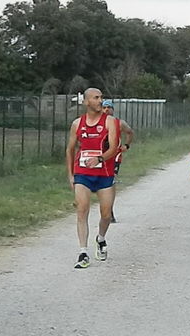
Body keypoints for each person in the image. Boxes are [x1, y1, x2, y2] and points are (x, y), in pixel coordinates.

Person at [65, 87, 119, 269]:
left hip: (104, 173)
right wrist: (70, 175)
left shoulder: (110, 122)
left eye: (101, 97)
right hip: (83, 174)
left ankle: (101, 238)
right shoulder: (77, 124)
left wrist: (100, 158)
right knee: (82, 209)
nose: (100, 101)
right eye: (96, 98)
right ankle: (83, 252)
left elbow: (114, 148)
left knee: (105, 214)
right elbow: (70, 149)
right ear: (87, 101)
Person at [102, 99, 134, 223]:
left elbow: (130, 133)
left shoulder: (119, 123)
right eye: (104, 108)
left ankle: (109, 211)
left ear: (112, 110)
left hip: (114, 157)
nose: (106, 110)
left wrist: (126, 145)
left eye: (109, 108)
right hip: (100, 157)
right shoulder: (96, 123)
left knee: (110, 183)